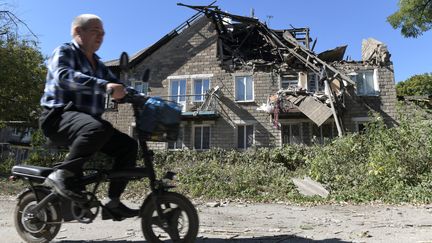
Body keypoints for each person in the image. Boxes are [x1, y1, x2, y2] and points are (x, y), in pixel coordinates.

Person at [40, 14, 138, 219]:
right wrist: (105, 86)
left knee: (128, 146)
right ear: (78, 31)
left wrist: (139, 97)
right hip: (57, 117)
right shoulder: (64, 51)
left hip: (87, 124)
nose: (101, 36)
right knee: (99, 127)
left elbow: (119, 86)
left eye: (103, 33)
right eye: (95, 31)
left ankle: (113, 202)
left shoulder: (99, 65)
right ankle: (61, 174)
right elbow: (64, 76)